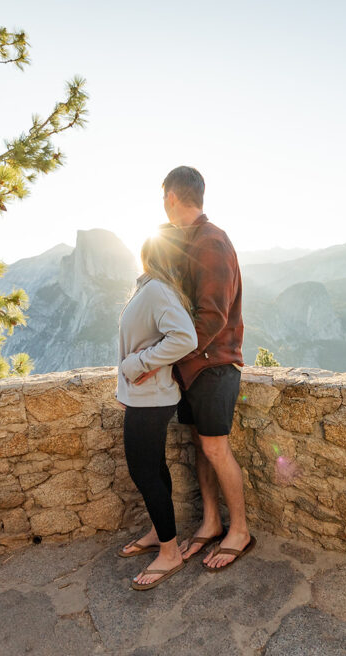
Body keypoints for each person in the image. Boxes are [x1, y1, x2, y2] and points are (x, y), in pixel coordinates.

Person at [132, 165, 254, 572]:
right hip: (195, 369)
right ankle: (212, 522)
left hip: (216, 367)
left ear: (170, 197)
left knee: (216, 448)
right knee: (202, 449)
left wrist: (165, 358)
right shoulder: (193, 241)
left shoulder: (211, 242)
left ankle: (240, 530)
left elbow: (212, 317)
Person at [115, 232, 198, 590]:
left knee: (143, 471)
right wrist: (128, 380)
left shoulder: (157, 290)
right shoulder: (152, 287)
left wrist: (139, 364)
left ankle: (169, 553)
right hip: (144, 397)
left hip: (151, 398)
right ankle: (158, 532)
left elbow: (185, 338)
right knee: (154, 469)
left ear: (148, 255)